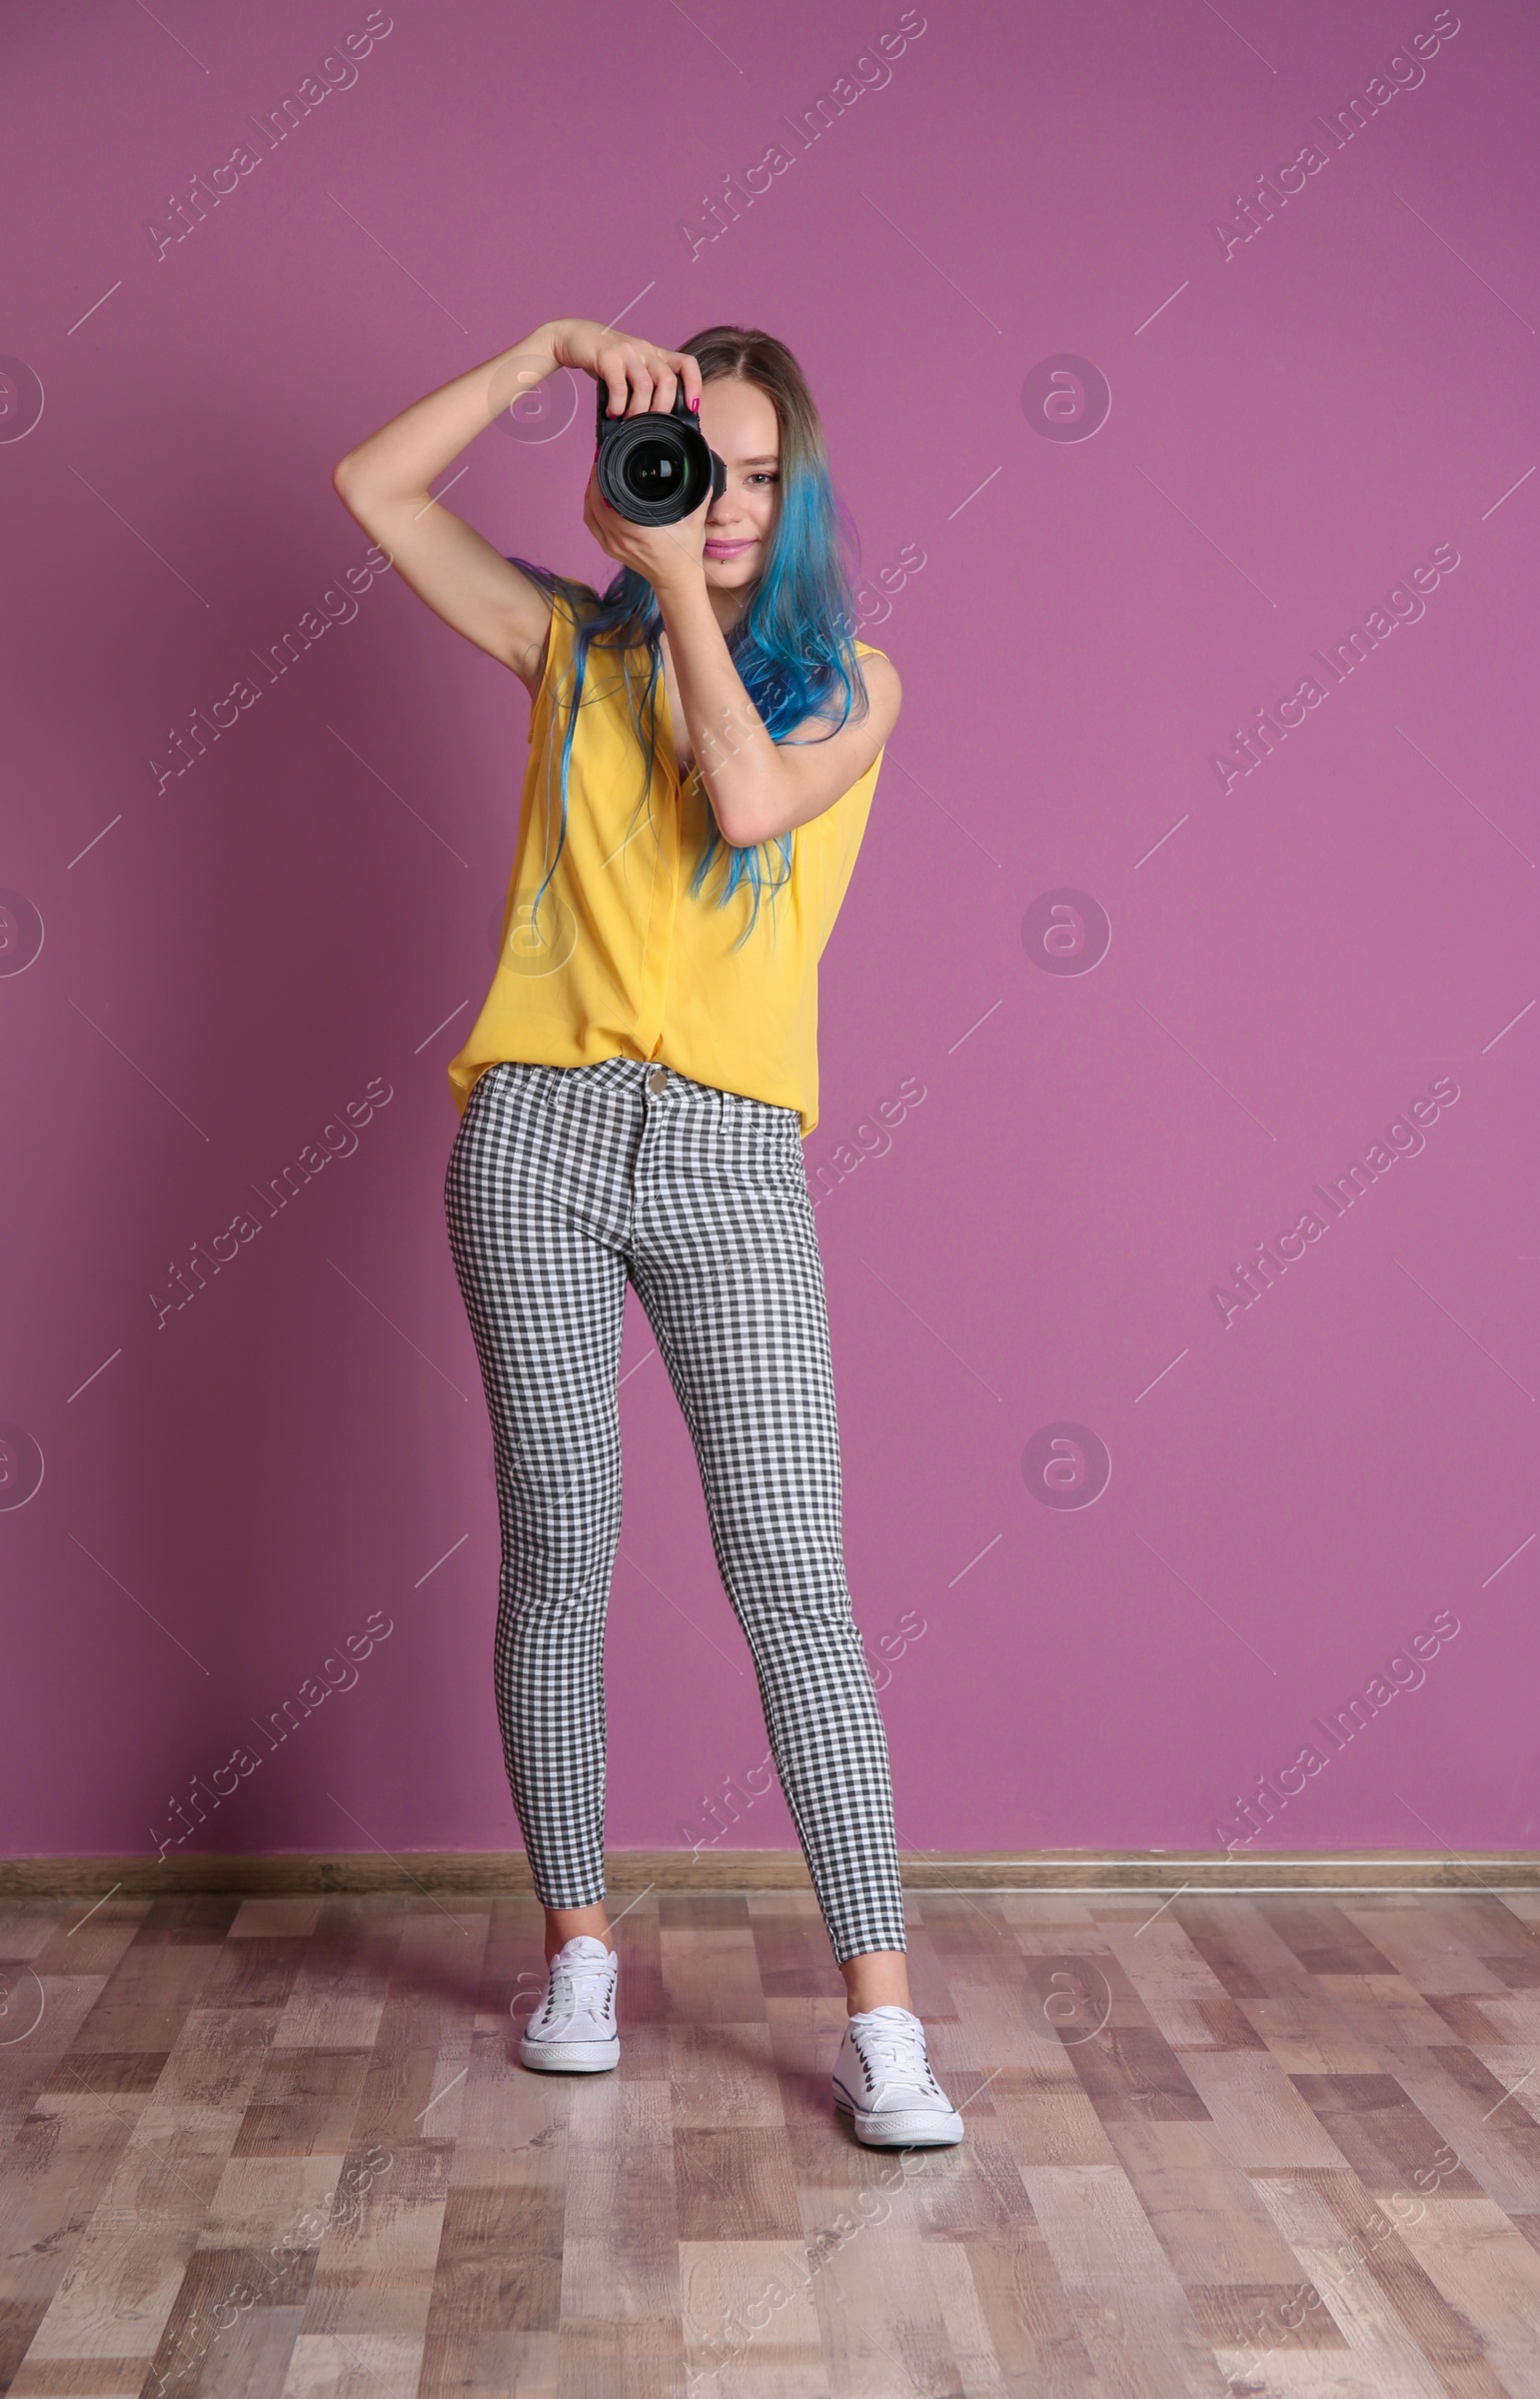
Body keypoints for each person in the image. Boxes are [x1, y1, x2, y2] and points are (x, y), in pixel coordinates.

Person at [332, 315, 962, 2148]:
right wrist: (542, 350)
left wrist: (674, 583)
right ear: (635, 470)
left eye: (762, 472)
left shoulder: (856, 683)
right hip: (533, 1132)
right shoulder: (564, 649)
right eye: (700, 462)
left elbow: (745, 796)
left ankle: (883, 2020)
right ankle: (579, 1947)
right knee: (563, 1548)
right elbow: (372, 488)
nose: (729, 501)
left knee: (794, 1576)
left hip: (728, 1157)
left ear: (804, 489)